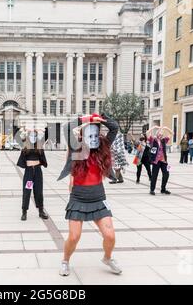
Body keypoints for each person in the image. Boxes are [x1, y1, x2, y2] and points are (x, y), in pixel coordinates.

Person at [58, 113, 122, 277]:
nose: (92, 137)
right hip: (78, 197)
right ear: (82, 135)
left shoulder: (102, 147)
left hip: (98, 197)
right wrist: (86, 119)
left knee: (110, 235)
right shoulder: (76, 147)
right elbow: (67, 127)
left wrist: (101, 118)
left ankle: (107, 258)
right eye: (88, 133)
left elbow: (114, 127)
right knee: (74, 237)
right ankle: (65, 261)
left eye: (95, 133)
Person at [17, 128, 48, 221]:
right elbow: (17, 134)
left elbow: (47, 134)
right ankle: (24, 212)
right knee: (27, 191)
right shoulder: (25, 145)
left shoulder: (39, 145)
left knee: (38, 192)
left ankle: (41, 211)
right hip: (29, 172)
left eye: (35, 135)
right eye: (31, 135)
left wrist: (40, 129)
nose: (33, 137)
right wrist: (24, 129)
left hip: (37, 171)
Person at [147, 126, 173, 196]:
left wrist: (166, 128)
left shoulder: (164, 140)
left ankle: (163, 189)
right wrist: (154, 127)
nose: (161, 134)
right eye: (159, 133)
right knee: (154, 176)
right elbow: (147, 133)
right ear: (157, 133)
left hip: (164, 161)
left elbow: (172, 133)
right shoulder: (153, 140)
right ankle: (152, 190)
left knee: (166, 174)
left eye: (162, 133)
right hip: (156, 161)